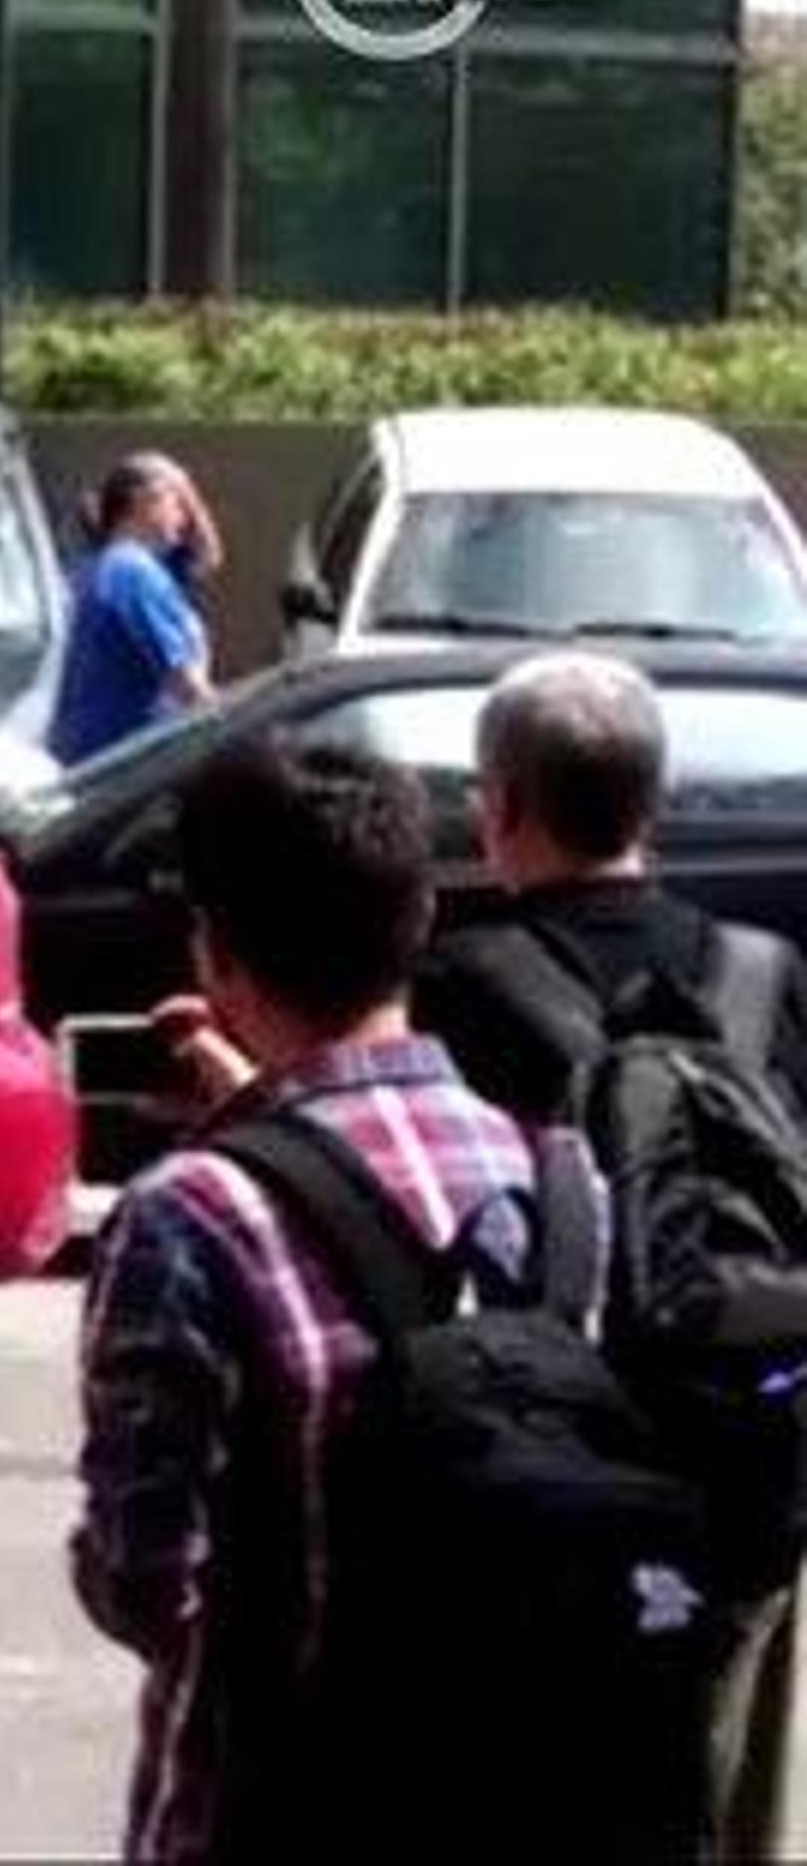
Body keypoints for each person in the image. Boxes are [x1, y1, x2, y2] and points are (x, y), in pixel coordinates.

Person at [72, 734, 591, 1860]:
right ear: (420, 923)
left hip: (270, 1812)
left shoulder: (191, 1217)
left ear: (214, 957)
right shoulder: (566, 1180)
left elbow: (142, 1583)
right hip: (525, 1798)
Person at [409, 650, 805, 1856]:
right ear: (652, 800)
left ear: (503, 805)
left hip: (562, 1497)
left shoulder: (466, 983)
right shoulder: (765, 972)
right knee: (726, 1798)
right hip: (754, 1470)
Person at [48, 452, 223, 766]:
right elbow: (185, 684)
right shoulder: (132, 572)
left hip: (101, 758)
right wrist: (234, 733)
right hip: (121, 765)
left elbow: (208, 556)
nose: (184, 518)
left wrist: (180, 484)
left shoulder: (117, 566)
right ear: (145, 501)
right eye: (176, 503)